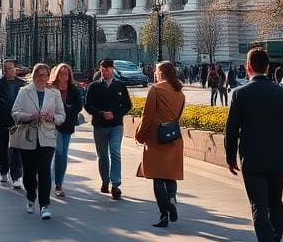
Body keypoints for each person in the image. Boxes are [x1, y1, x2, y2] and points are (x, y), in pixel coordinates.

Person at [225, 47, 283, 242]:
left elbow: (231, 130)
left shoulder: (239, 94)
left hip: (252, 159)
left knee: (258, 205)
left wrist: (230, 157)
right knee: (275, 201)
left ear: (247, 67)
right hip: (279, 157)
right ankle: (275, 239)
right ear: (267, 67)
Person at [135, 60, 186, 228]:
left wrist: (140, 135)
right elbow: (177, 117)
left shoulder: (156, 89)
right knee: (170, 174)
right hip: (173, 138)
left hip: (156, 138)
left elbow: (147, 116)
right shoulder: (180, 92)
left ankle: (164, 214)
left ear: (161, 73)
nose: (155, 74)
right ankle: (171, 198)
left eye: (156, 71)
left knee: (157, 177)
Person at [11, 63, 65, 219]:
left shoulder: (54, 93)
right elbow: (15, 112)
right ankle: (30, 195)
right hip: (28, 136)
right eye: (39, 74)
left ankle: (44, 205)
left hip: (46, 136)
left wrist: (52, 117)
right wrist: (28, 116)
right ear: (34, 76)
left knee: (44, 171)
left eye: (45, 75)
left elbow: (62, 116)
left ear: (49, 77)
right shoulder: (24, 91)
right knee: (29, 172)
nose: (42, 78)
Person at [84, 57, 133, 199]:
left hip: (116, 125)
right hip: (100, 125)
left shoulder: (120, 86)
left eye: (107, 69)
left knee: (115, 152)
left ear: (112, 69)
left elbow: (127, 105)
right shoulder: (94, 86)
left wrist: (115, 114)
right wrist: (100, 113)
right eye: (102, 69)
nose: (104, 72)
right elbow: (87, 104)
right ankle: (105, 180)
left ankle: (116, 184)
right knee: (103, 156)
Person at [0, 59, 25, 188]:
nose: (7, 70)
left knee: (16, 150)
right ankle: (3, 172)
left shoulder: (22, 85)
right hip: (2, 121)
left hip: (18, 122)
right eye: (5, 68)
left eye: (10, 68)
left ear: (15, 69)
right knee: (3, 148)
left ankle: (16, 176)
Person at [49, 62, 82, 197]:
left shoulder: (73, 89)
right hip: (53, 124)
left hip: (67, 124)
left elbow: (78, 106)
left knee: (63, 155)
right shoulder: (51, 88)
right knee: (59, 152)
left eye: (66, 73)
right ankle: (54, 181)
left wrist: (67, 109)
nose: (64, 76)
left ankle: (59, 183)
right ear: (57, 74)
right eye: (62, 73)